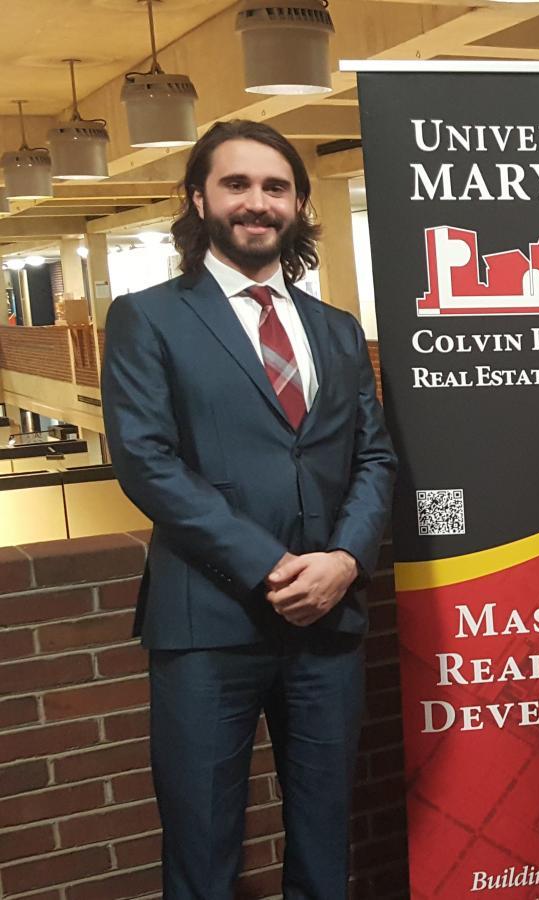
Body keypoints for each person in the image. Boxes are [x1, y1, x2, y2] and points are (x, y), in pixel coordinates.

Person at [101, 119, 396, 899]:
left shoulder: (336, 331)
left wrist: (343, 560)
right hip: (208, 627)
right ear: (200, 198)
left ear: (298, 204)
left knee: (325, 846)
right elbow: (146, 462)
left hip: (327, 623)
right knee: (202, 854)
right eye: (237, 184)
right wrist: (271, 567)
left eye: (275, 187)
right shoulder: (148, 318)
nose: (256, 203)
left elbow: (374, 457)